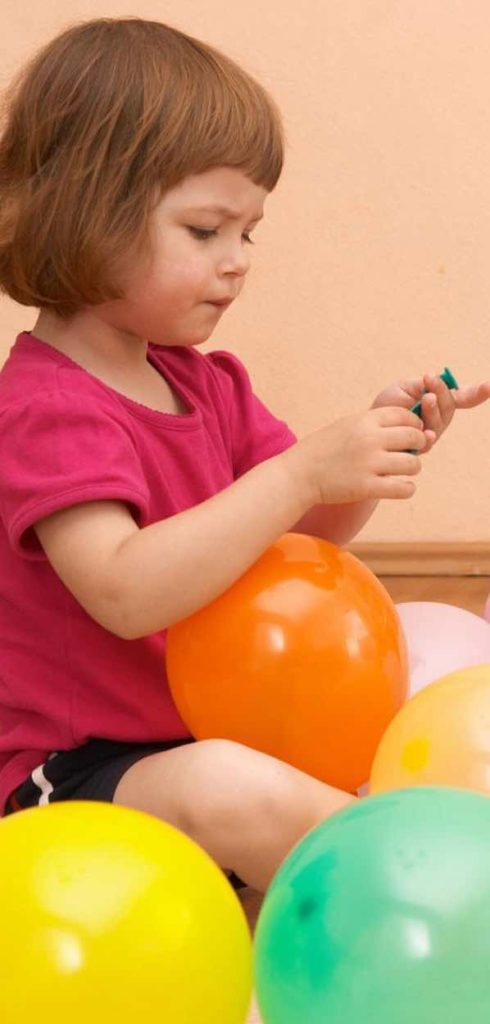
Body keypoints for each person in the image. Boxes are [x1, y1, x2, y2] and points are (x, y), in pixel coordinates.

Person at [0, 17, 488, 893]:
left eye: (249, 233)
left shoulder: (207, 384)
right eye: (205, 232)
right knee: (226, 785)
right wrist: (300, 469)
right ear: (85, 211)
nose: (238, 264)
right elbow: (121, 589)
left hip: (215, 733)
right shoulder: (43, 408)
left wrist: (368, 453)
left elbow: (304, 537)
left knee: (346, 731)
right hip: (78, 782)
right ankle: (440, 879)